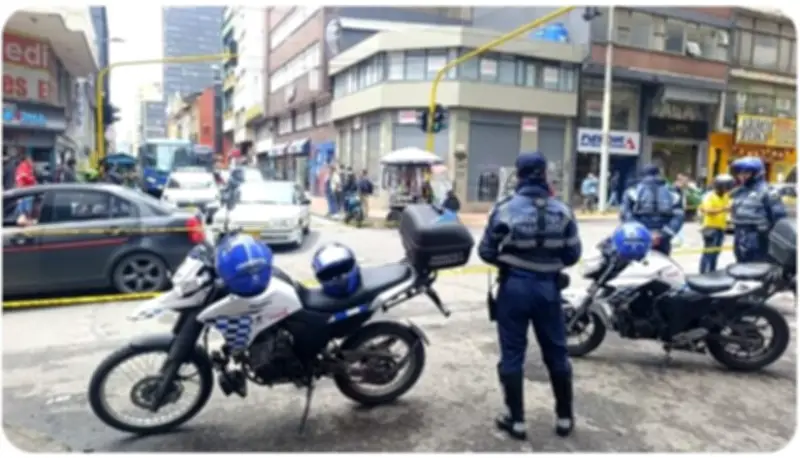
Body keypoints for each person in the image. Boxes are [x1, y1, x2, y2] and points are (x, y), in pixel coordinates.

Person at [478, 152, 582, 440]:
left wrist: (511, 261)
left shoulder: (504, 210)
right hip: (549, 290)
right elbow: (573, 254)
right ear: (544, 175)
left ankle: (516, 420)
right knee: (557, 354)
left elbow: (486, 251)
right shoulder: (563, 211)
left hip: (513, 289)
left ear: (519, 175)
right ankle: (564, 418)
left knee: (512, 355)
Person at [729, 157, 787, 263]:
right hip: (740, 235)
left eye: (746, 172)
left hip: (759, 238)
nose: (742, 176)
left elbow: (779, 220)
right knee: (741, 268)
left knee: (758, 269)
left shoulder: (768, 192)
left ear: (756, 173)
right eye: (740, 173)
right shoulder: (739, 192)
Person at [620, 165, 684, 256]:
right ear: (659, 174)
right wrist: (664, 234)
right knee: (662, 265)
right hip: (663, 237)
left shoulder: (632, 191)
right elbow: (679, 216)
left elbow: (625, 214)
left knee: (639, 265)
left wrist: (641, 233)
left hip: (639, 237)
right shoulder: (672, 192)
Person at [698, 174, 733, 273]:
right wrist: (724, 209)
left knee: (716, 253)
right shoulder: (709, 196)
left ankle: (712, 272)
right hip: (710, 228)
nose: (727, 190)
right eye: (726, 187)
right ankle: (703, 273)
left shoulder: (725, 196)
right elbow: (706, 210)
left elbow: (728, 207)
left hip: (721, 228)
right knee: (708, 253)